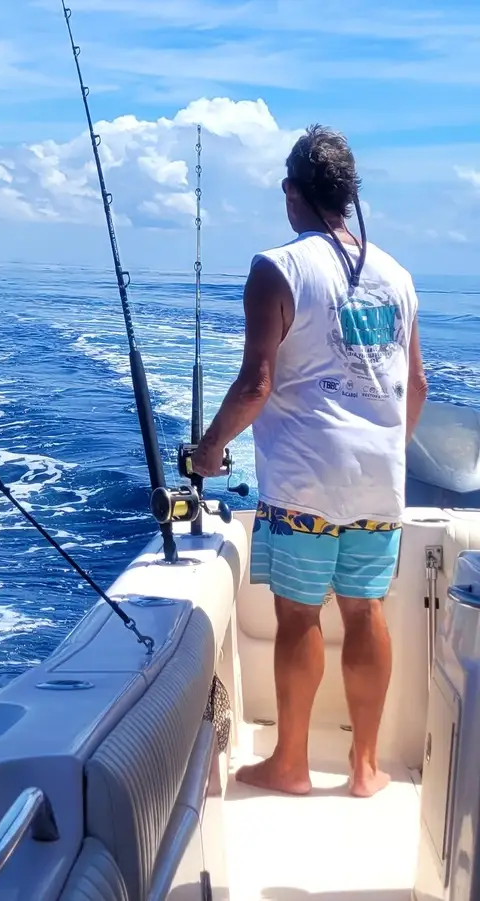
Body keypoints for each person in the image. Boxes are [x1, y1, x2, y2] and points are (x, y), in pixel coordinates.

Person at [189, 124, 429, 799]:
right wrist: (384, 451)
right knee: (365, 613)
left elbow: (256, 382)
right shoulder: (400, 276)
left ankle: (290, 764)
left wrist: (211, 451)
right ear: (350, 197)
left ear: (293, 194)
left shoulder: (279, 267)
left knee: (299, 615)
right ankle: (366, 767)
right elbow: (418, 386)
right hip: (379, 484)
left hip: (305, 483)